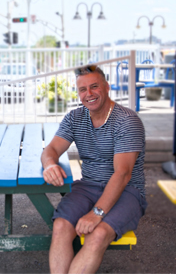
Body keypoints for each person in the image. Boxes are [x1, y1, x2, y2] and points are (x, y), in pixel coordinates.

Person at [41, 65, 147, 274]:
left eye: (94, 87)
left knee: (97, 235)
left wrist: (96, 213)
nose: (88, 94)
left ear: (106, 87)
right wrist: (50, 164)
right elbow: (51, 149)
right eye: (82, 89)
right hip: (88, 185)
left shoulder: (126, 121)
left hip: (128, 191)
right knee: (61, 227)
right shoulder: (75, 118)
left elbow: (123, 174)